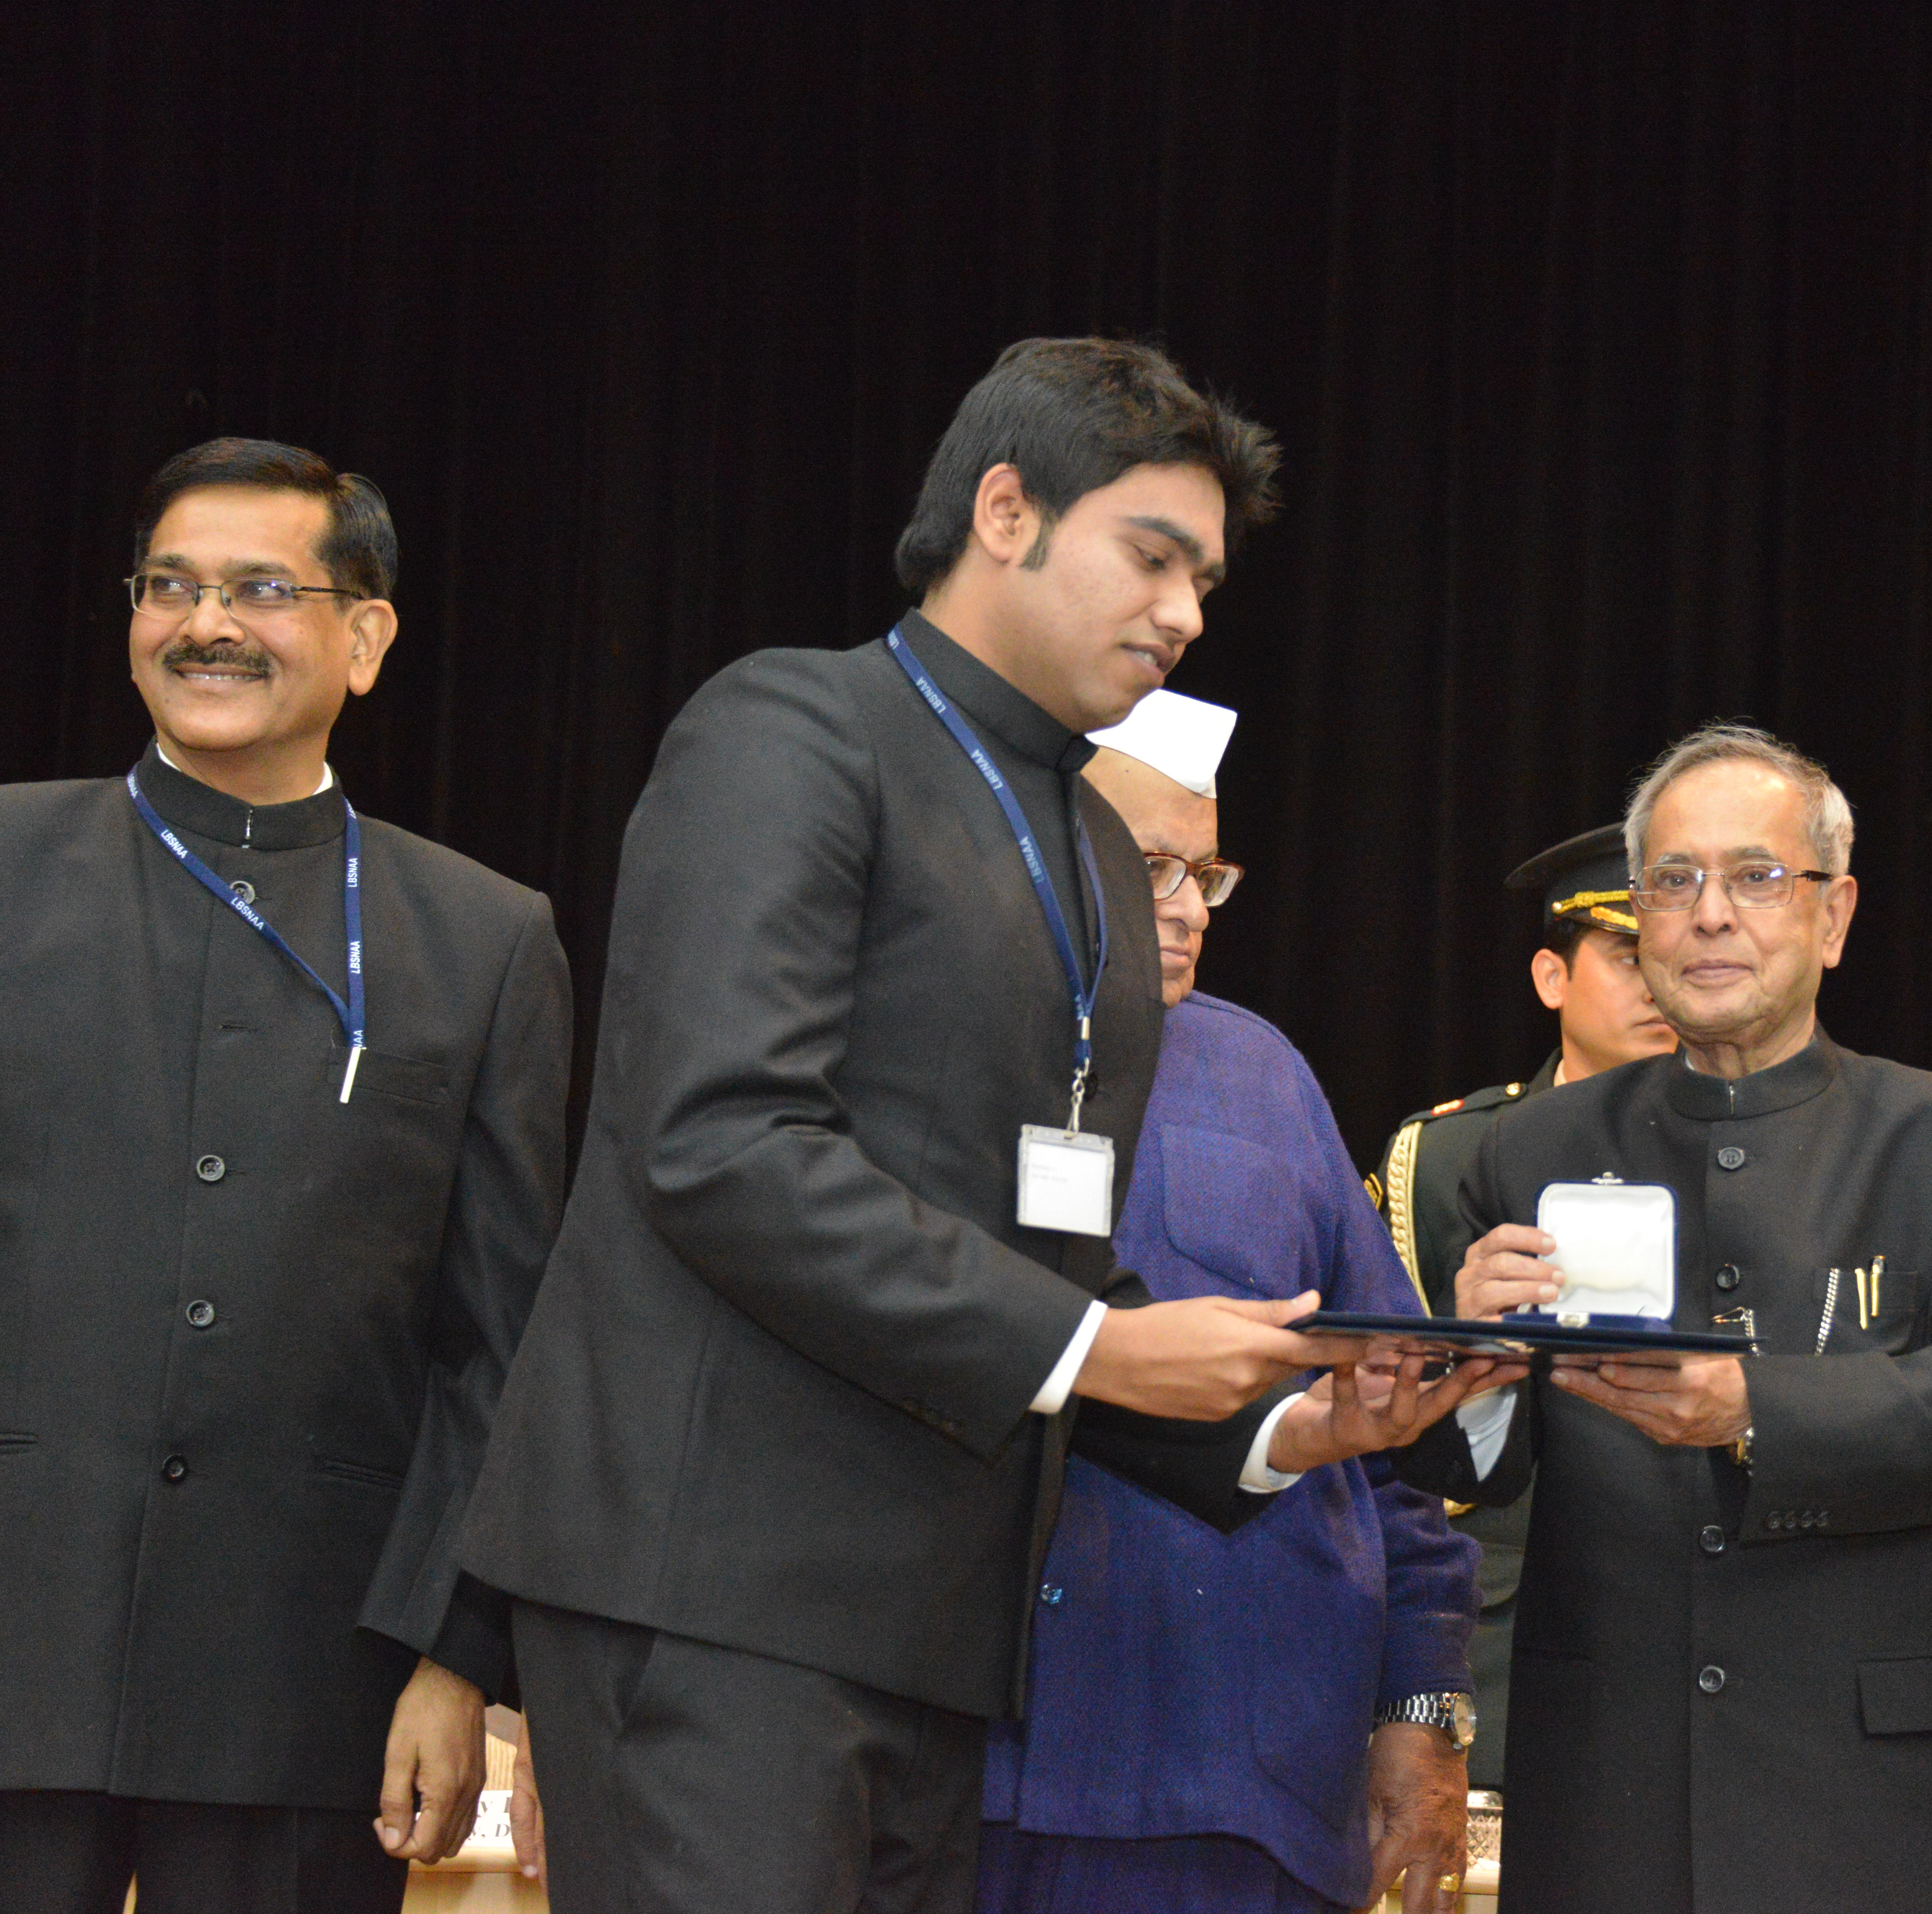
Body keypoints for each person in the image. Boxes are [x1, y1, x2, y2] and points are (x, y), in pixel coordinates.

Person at [461, 338, 1484, 1914]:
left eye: (1207, 578)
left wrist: (1289, 1424)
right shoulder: (790, 735)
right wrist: (1094, 1350)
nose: (1187, 615)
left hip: (933, 1637)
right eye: (1151, 555)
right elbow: (719, 1145)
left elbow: (1053, 1259)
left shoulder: (1086, 839)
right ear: (1004, 511)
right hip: (714, 1598)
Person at [0, 439, 572, 1912]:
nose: (205, 622)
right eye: (172, 586)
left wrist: (455, 1650)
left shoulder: (483, 939)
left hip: (309, 1668)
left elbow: (500, 1344)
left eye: (263, 588)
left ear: (366, 636)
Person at [1408, 721, 1932, 1914]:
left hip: (1876, 1796)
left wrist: (1756, 1410)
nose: (1711, 915)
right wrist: (1473, 1366)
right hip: (1612, 1782)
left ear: (1834, 915)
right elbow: (1470, 1474)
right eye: (1673, 882)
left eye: (1757, 878)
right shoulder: (1531, 1147)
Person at [976, 689, 1482, 1914]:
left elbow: (1392, 1430)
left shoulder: (1264, 1074)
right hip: (977, 1759)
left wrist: (1423, 1706)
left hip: (1248, 1769)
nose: (1187, 906)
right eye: (1149, 864)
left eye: (1207, 872)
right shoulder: (937, 1047)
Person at [1368, 821, 1676, 1793]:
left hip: (1706, 1628)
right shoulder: (1445, 1161)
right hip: (1499, 1640)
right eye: (1629, 957)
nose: (1660, 983)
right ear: (1552, 976)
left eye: (1674, 955)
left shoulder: (1779, 1157)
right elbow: (1381, 1439)